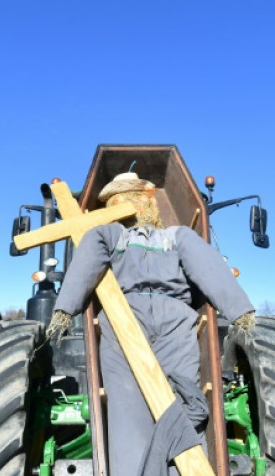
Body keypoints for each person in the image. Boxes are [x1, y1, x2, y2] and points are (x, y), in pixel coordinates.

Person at [47, 171, 256, 476]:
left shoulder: (178, 237)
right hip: (124, 319)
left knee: (184, 399)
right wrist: (65, 307)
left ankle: (183, 468)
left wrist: (238, 310)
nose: (132, 204)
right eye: (122, 200)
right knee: (128, 410)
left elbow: (207, 266)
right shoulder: (112, 235)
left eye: (135, 197)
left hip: (176, 322)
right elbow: (90, 254)